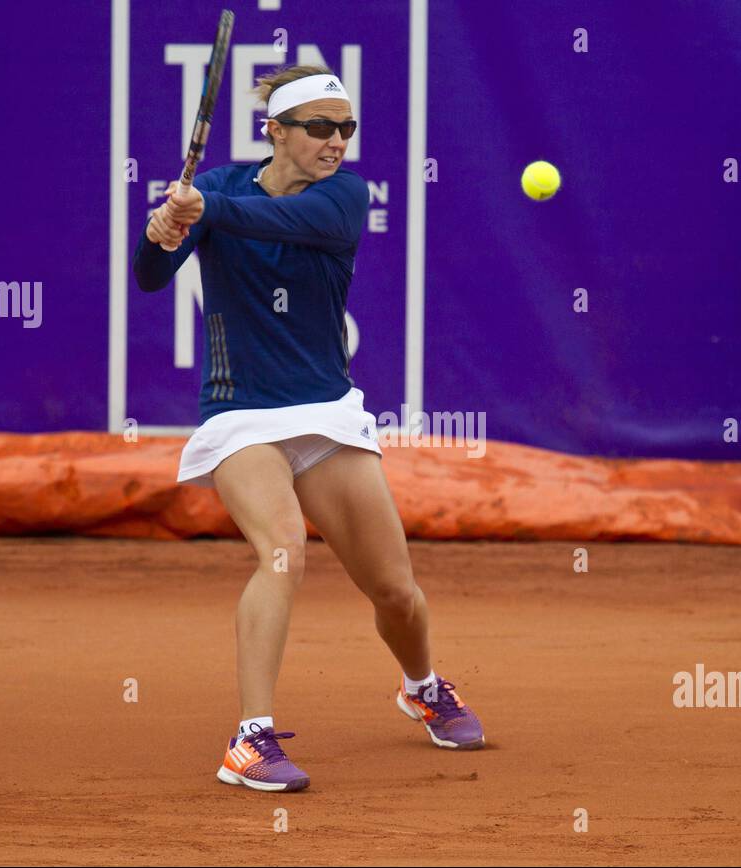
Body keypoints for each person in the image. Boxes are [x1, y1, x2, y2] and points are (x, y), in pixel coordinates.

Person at [132, 65, 485, 794]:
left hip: (325, 414)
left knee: (397, 595)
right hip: (240, 411)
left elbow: (282, 222)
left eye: (346, 128)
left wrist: (199, 211)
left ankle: (420, 685)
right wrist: (162, 231)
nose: (336, 141)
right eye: (319, 127)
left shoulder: (342, 199)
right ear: (277, 130)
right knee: (284, 550)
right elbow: (149, 278)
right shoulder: (222, 189)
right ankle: (250, 739)